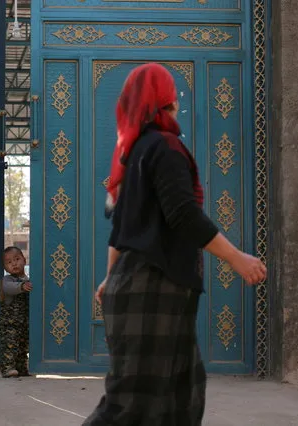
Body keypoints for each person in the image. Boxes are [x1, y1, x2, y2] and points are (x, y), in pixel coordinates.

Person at [84, 63, 267, 425]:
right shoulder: (164, 148)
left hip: (137, 284)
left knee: (180, 397)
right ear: (165, 100)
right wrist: (236, 258)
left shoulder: (131, 152)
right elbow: (183, 215)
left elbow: (120, 227)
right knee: (131, 405)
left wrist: (111, 278)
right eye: (174, 96)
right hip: (154, 286)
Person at [0, 246, 32, 378]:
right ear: (5, 267)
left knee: (23, 347)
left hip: (24, 322)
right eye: (9, 262)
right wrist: (22, 287)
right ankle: (7, 368)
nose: (14, 264)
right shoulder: (8, 280)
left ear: (24, 259)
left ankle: (22, 369)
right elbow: (8, 289)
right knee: (10, 346)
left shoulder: (28, 280)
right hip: (9, 324)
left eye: (17, 259)